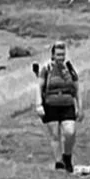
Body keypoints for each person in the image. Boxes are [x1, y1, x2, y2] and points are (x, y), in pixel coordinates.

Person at [34, 41, 81, 171]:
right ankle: (59, 162)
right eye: (58, 54)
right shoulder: (46, 69)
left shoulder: (69, 69)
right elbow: (39, 87)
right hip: (51, 104)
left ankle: (67, 156)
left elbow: (77, 89)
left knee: (70, 132)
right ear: (53, 55)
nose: (61, 57)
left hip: (67, 104)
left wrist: (79, 106)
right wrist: (38, 104)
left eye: (63, 54)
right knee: (55, 135)